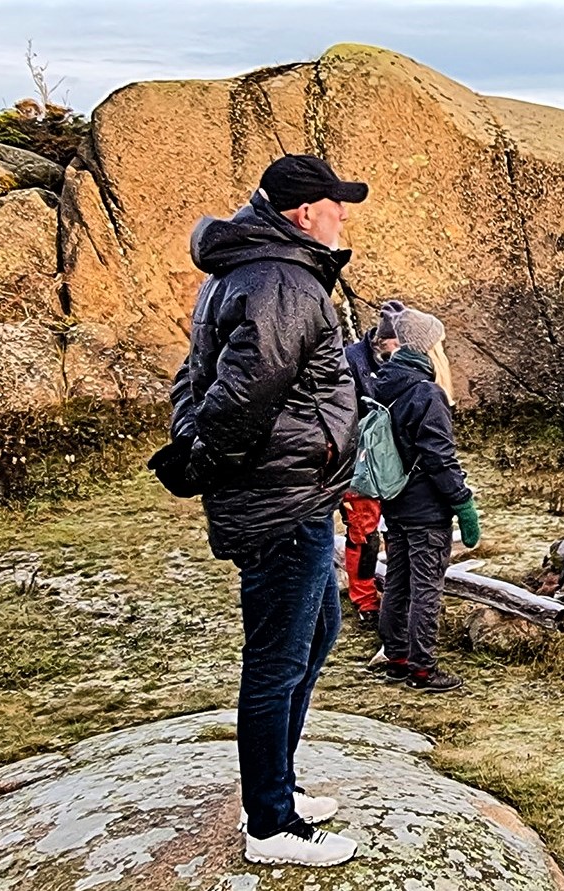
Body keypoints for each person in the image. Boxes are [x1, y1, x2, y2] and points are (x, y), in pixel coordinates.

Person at [168, 154, 368, 867]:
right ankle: (270, 826)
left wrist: (193, 442)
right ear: (300, 213)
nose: (343, 213)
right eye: (333, 203)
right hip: (280, 495)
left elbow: (193, 376)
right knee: (278, 658)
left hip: (295, 489)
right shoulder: (280, 279)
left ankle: (277, 785)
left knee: (314, 636)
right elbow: (240, 394)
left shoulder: (258, 269)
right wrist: (201, 458)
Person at [371, 308, 480, 692]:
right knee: (426, 588)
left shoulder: (382, 384)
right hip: (426, 509)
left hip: (394, 502)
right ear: (428, 347)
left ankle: (396, 656)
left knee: (397, 581)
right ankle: (422, 668)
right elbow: (439, 457)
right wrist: (463, 504)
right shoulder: (427, 393)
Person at [339, 299, 406, 629]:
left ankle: (395, 595)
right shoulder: (349, 361)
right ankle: (364, 599)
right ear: (381, 339)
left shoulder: (404, 361)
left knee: (398, 532)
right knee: (364, 536)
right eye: (396, 344)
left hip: (395, 466)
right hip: (357, 466)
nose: (399, 351)